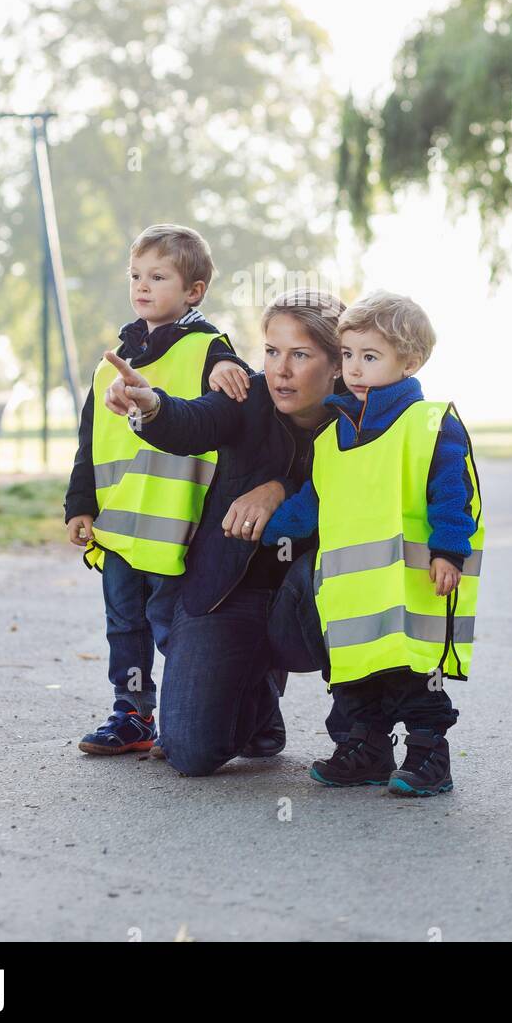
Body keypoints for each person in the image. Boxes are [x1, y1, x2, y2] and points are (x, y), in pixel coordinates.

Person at [101, 288, 347, 774]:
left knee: (319, 595)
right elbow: (193, 422)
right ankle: (256, 708)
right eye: (272, 352)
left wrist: (281, 487)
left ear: (337, 363)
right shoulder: (247, 396)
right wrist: (149, 406)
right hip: (228, 590)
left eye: (300, 355)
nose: (280, 369)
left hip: (311, 594)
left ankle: (363, 731)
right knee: (191, 752)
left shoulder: (360, 418)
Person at [259, 290, 484, 797]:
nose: (355, 369)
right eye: (348, 355)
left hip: (412, 588)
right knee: (353, 678)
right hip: (351, 596)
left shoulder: (429, 424)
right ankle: (365, 751)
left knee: (414, 679)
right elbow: (313, 502)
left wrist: (449, 551)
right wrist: (273, 530)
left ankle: (429, 758)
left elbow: (452, 494)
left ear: (410, 361)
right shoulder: (330, 437)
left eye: (370, 356)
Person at [64, 223, 252, 755]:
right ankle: (131, 715)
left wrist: (229, 369)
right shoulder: (112, 364)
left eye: (158, 276)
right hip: (119, 528)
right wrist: (80, 505)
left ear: (193, 291)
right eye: (136, 275)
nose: (142, 286)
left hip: (179, 529)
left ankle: (183, 716)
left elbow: (230, 393)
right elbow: (90, 443)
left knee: (172, 630)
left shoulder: (207, 349)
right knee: (124, 628)